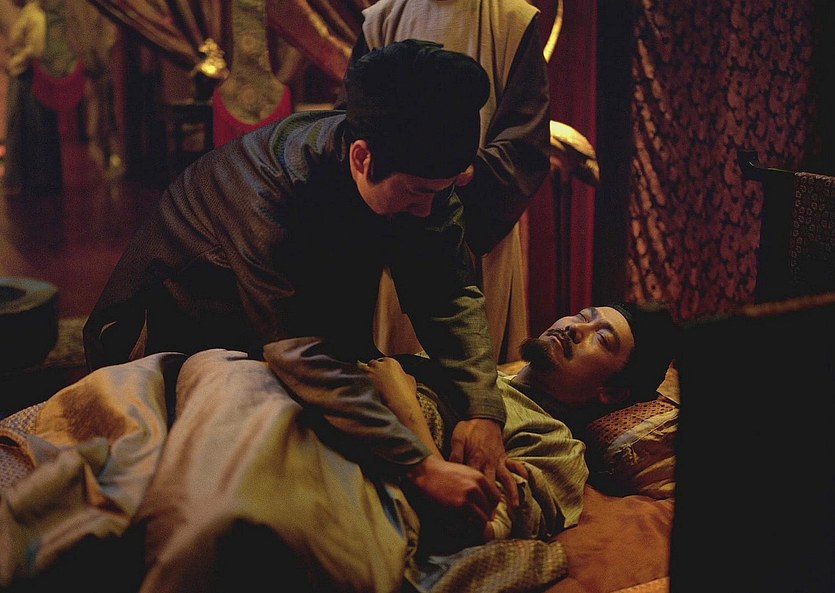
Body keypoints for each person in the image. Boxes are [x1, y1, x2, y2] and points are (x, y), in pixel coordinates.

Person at [83, 40, 519, 528]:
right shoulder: (268, 191)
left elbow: (447, 293)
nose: (428, 211)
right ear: (361, 158)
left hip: (297, 341)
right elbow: (299, 353)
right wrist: (420, 466)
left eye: (445, 191)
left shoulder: (422, 179)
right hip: (182, 342)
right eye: (418, 193)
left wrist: (483, 409)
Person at [360, 300, 678, 550]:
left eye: (602, 338)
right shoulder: (475, 371)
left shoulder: (556, 446)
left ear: (611, 392)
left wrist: (403, 406)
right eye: (582, 316)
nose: (575, 328)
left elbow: (470, 527)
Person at [342, 0, 551, 363]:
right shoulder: (382, 18)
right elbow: (353, 116)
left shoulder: (512, 20)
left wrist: (464, 171)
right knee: (393, 366)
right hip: (394, 215)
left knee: (468, 353)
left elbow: (526, 140)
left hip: (477, 220)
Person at [2, 0, 63, 196]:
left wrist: (14, 62)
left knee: (34, 128)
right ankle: (31, 180)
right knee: (25, 128)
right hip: (23, 78)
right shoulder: (29, 14)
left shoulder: (35, 16)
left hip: (29, 79)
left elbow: (36, 49)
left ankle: (40, 180)